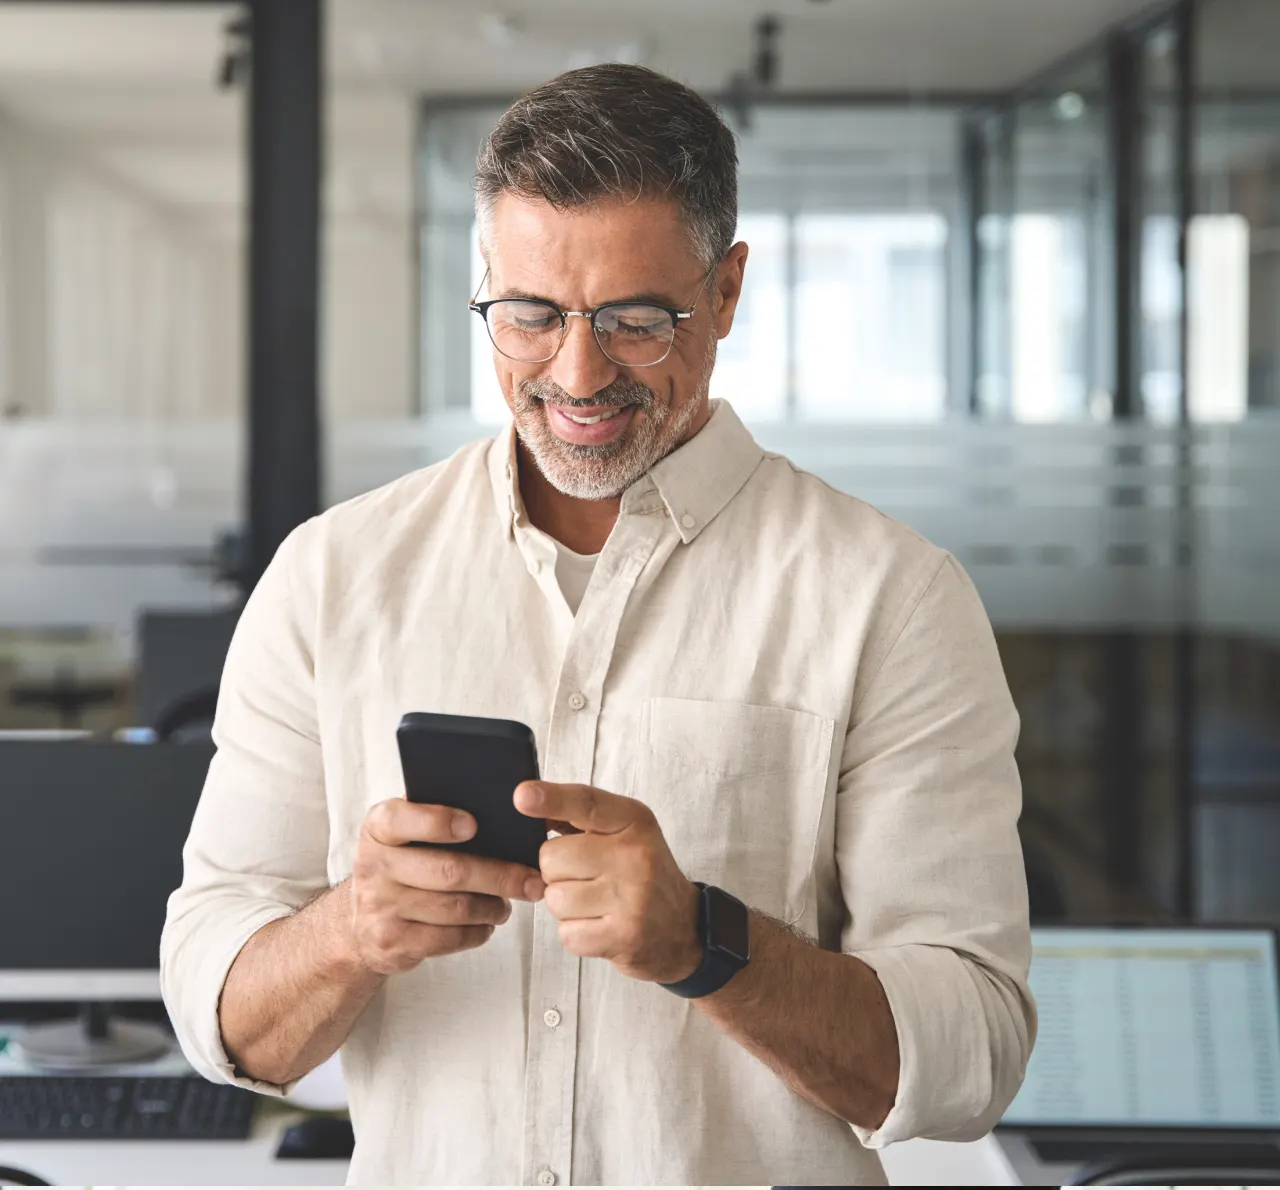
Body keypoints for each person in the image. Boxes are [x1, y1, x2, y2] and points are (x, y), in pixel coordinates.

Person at [161, 63, 1035, 1186]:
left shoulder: (891, 597)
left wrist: (706, 943)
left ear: (723, 293)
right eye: (527, 314)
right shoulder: (333, 576)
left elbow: (973, 1054)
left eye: (634, 320)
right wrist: (349, 928)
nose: (575, 374)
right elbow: (218, 1013)